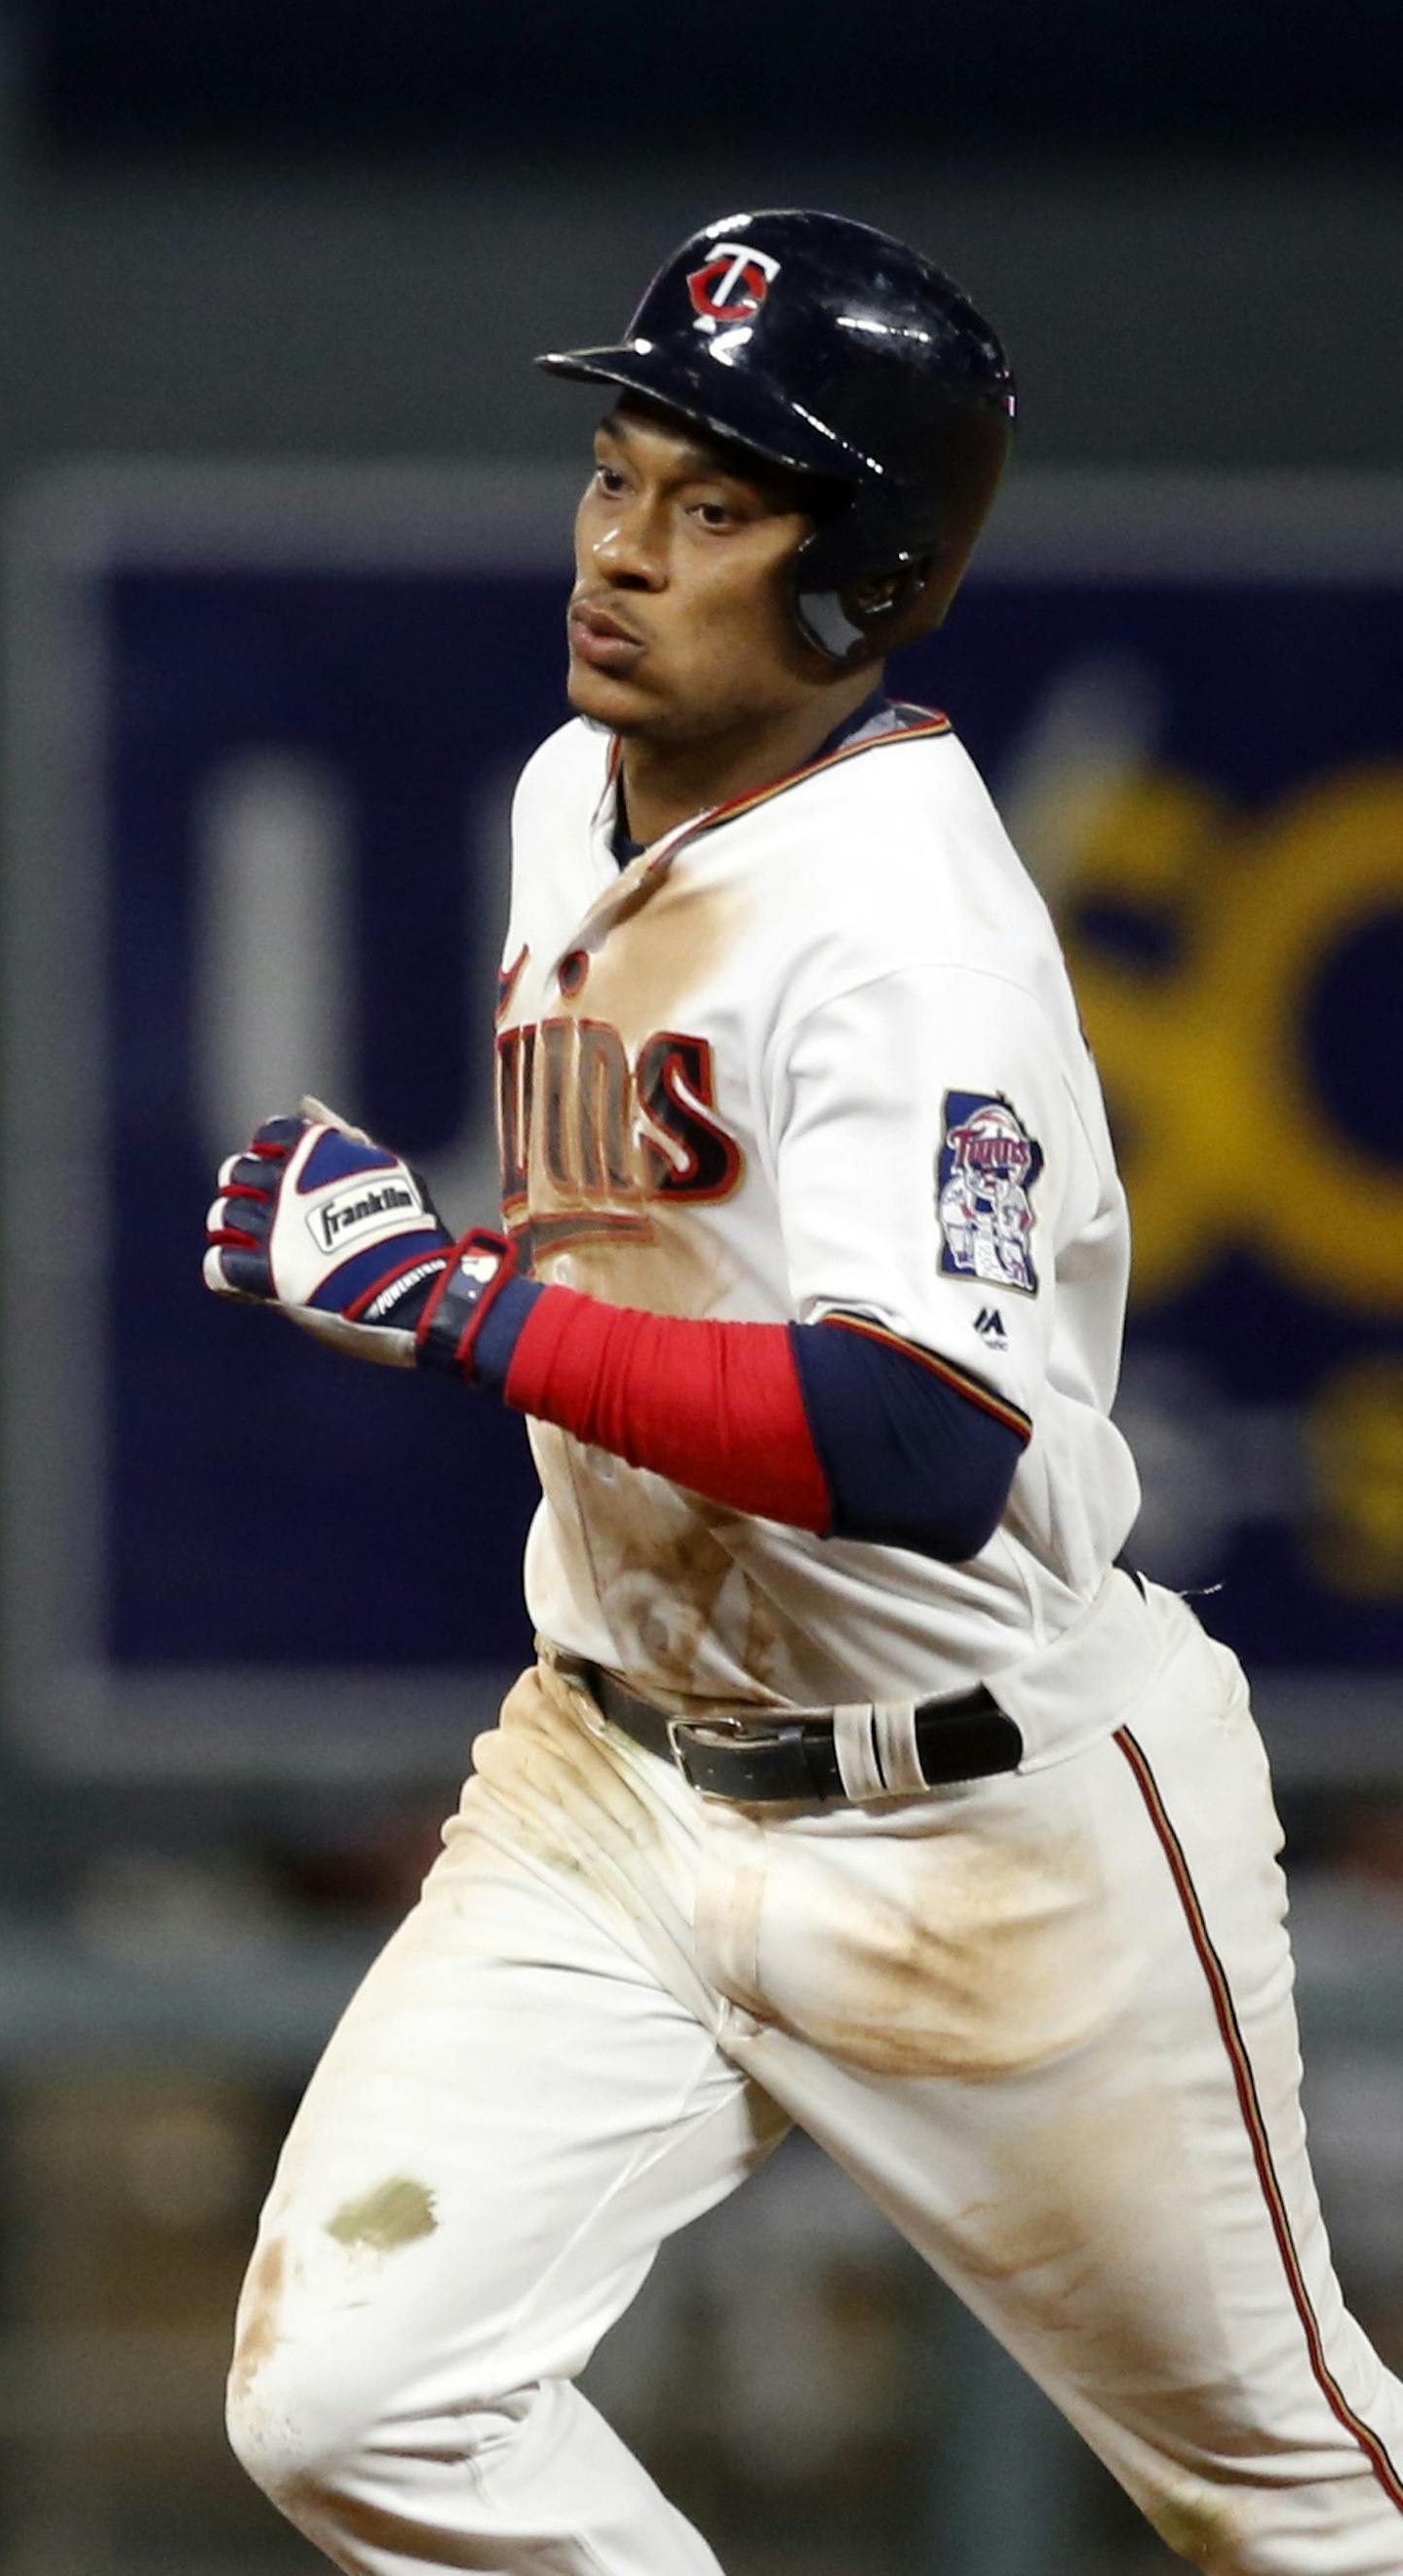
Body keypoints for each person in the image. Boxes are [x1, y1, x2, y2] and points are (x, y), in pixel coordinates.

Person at [209, 210, 1403, 2575]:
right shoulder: (581, 795)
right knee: (355, 2405)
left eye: (721, 506)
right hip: (616, 1786)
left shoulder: (914, 934)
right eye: (619, 475)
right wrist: (454, 1283)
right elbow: (639, 1239)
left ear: (868, 578)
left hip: (987, 1826)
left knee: (1296, 2501)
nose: (626, 551)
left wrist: (456, 1301)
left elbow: (918, 1446)